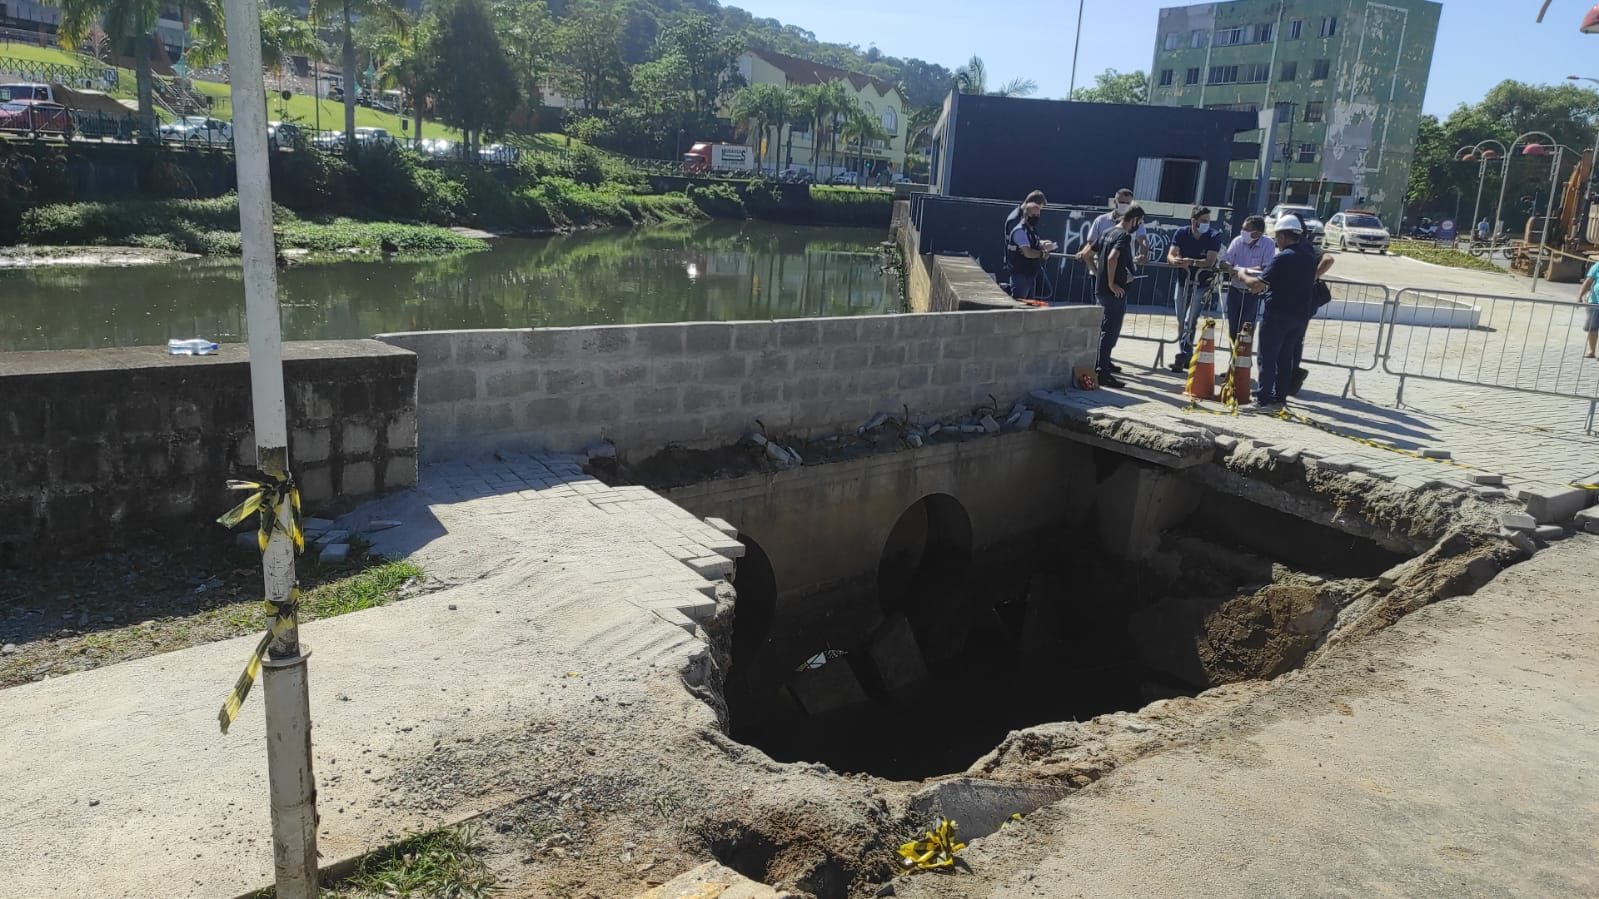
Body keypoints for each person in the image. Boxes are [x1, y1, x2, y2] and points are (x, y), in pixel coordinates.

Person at [1237, 214, 1333, 411]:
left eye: (1277, 238)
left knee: (1268, 357)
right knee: (1285, 358)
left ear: (1282, 236)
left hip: (1277, 315)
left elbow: (1257, 286)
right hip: (1299, 317)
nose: (1277, 242)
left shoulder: (1283, 257)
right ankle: (1279, 399)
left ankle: (1263, 400)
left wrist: (1242, 275)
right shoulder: (1308, 256)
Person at [1090, 204, 1145, 388]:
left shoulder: (1107, 232)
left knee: (1105, 330)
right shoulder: (1123, 235)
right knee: (1110, 332)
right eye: (1140, 222)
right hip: (1114, 293)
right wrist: (1112, 283)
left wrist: (1098, 273)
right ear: (1134, 220)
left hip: (1103, 291)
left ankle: (1101, 368)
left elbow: (1087, 254)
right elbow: (1113, 258)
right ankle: (1102, 373)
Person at [1166, 205, 1224, 371]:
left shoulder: (1214, 236)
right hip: (1183, 281)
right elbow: (1171, 254)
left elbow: (1210, 261)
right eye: (1202, 221)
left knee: (1190, 319)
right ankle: (1184, 352)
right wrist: (1174, 260)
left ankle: (1186, 353)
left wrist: (1191, 261)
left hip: (1202, 283)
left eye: (1208, 221)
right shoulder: (1182, 233)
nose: (1206, 224)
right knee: (1181, 318)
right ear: (1193, 221)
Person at [1220, 215, 1275, 343]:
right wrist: (1230, 268)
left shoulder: (1268, 244)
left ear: (1257, 233)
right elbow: (1224, 261)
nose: (1242, 232)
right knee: (1233, 327)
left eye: (1246, 230)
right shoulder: (1237, 241)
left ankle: (1243, 359)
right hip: (1235, 290)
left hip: (1252, 293)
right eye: (1242, 229)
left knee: (1247, 329)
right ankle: (1233, 358)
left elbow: (1266, 266)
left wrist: (1243, 270)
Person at [1006, 201, 1055, 300]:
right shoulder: (1020, 231)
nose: (1036, 217)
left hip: (1031, 275)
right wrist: (1042, 254)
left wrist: (1044, 244)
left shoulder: (1032, 230)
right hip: (1020, 275)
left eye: (1038, 215)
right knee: (1020, 303)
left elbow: (1034, 243)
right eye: (1033, 215)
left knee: (1029, 305)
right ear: (1025, 215)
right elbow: (1027, 252)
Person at [1088, 188, 1150, 262]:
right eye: (1122, 202)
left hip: (1125, 268)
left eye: (1128, 203)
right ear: (1115, 202)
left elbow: (1142, 239)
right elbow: (1092, 242)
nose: (1124, 205)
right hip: (1101, 266)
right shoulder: (1101, 220)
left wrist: (1143, 254)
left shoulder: (1136, 222)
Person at [1580, 259, 1599, 359]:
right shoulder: (1597, 266)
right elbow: (1588, 282)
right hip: (1595, 302)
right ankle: (1592, 351)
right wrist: (1579, 296)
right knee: (1592, 328)